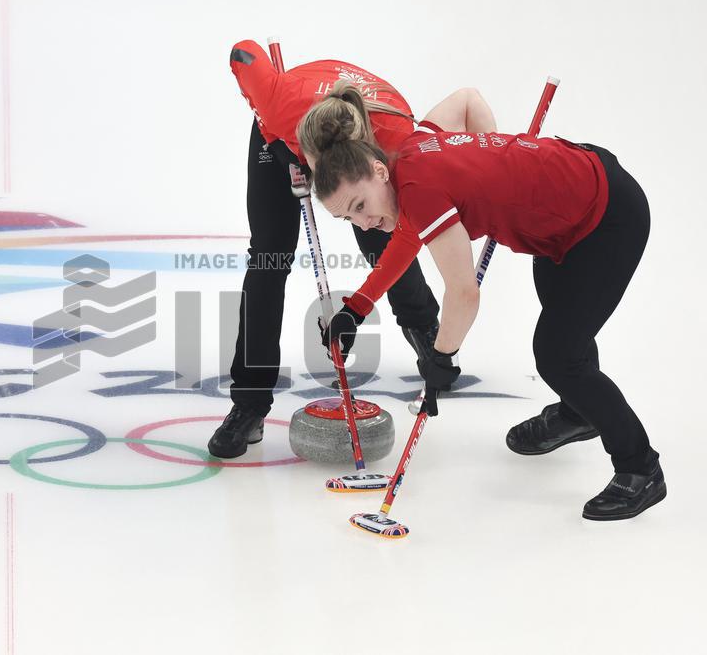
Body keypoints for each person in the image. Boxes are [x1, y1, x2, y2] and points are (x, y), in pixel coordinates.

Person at [299, 82, 664, 521]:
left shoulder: (421, 191)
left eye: (359, 205)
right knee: (566, 332)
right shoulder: (410, 154)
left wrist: (441, 356)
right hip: (562, 218)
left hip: (606, 216)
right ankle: (579, 411)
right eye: (348, 217)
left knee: (558, 354)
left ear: (378, 170)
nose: (363, 221)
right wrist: (355, 308)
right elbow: (464, 103)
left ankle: (640, 469)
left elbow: (464, 294)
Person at [209, 40, 441, 459]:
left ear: (375, 166)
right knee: (268, 257)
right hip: (283, 134)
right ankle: (249, 404)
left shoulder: (400, 144)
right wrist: (277, 138)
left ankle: (427, 332)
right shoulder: (282, 104)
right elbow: (243, 53)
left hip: (362, 129)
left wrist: (358, 306)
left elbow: (407, 228)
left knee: (380, 229)